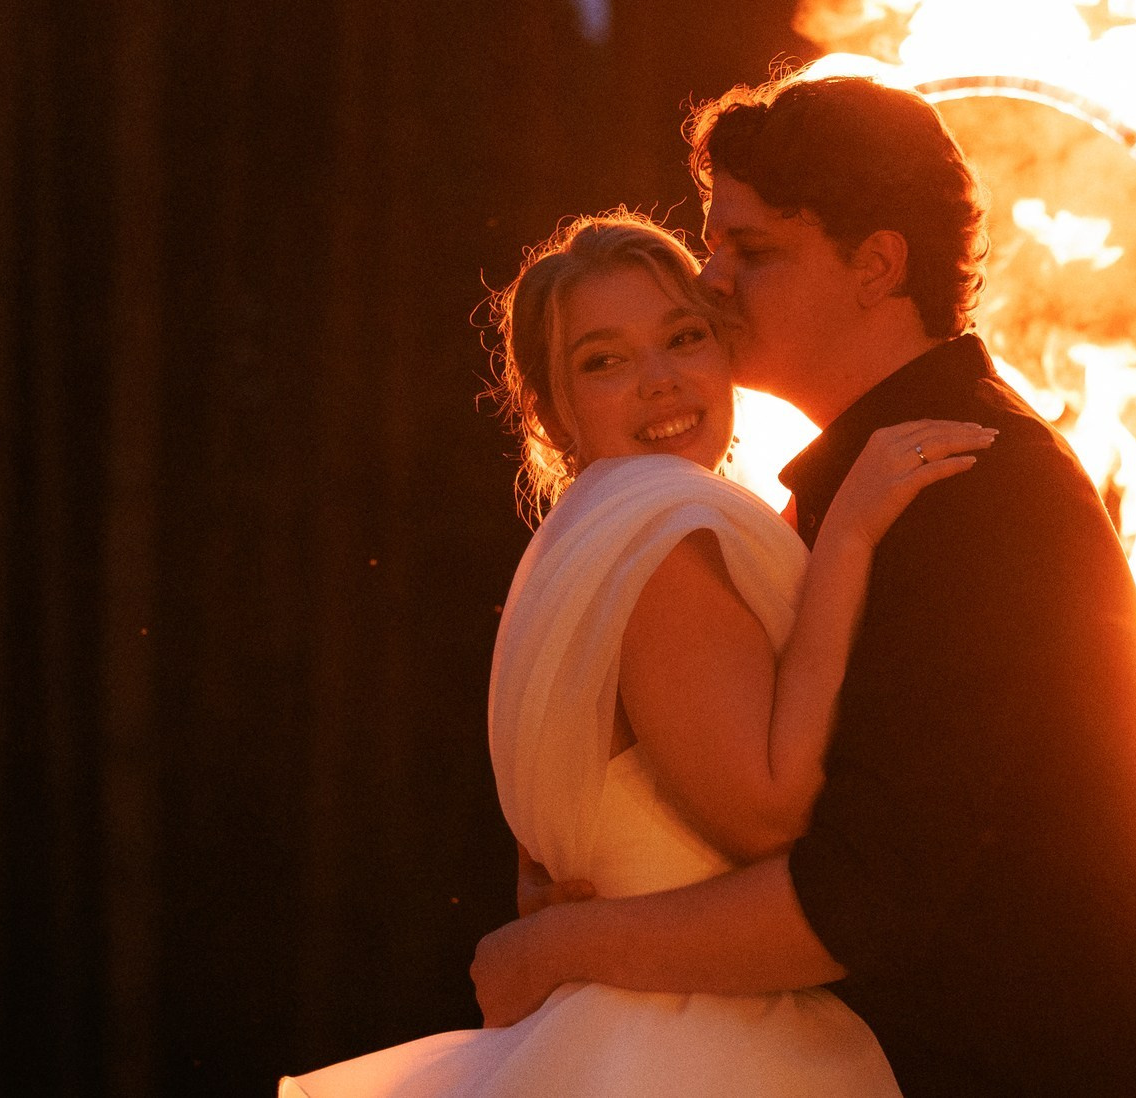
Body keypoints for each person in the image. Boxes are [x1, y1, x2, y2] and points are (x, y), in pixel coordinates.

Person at [469, 75, 1136, 1098]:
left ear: (877, 265)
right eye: (714, 245)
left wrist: (565, 944)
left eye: (753, 250)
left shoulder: (969, 493)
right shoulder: (851, 492)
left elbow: (859, 895)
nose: (712, 279)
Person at [280, 211, 993, 1097]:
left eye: (684, 337)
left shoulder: (587, 541)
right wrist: (848, 537)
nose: (660, 381)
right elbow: (769, 816)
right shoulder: (656, 537)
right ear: (553, 412)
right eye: (604, 361)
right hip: (695, 1047)